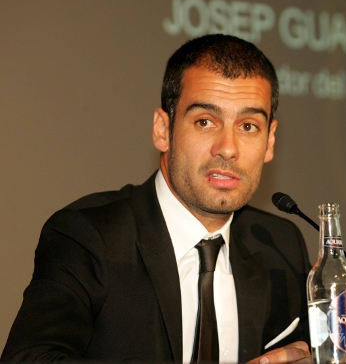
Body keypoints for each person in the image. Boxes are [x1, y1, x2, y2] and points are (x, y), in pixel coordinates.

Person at [1, 34, 311, 363]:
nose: (228, 148)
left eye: (249, 126)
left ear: (270, 140)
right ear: (163, 129)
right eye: (205, 122)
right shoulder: (90, 235)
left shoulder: (281, 245)